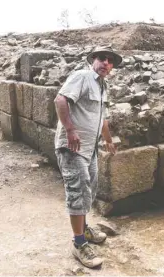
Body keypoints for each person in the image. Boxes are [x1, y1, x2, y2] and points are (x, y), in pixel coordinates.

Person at [53, 45, 122, 268]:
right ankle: (79, 243)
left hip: (89, 149)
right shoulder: (82, 76)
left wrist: (108, 139)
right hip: (72, 146)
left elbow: (101, 118)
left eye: (110, 61)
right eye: (102, 58)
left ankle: (83, 229)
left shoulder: (102, 86)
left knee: (89, 190)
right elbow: (60, 100)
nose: (106, 63)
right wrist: (70, 130)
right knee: (78, 191)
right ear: (93, 60)